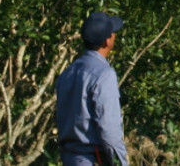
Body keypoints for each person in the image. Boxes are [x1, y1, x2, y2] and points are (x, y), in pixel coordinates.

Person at [55, 11, 129, 166]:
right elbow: (109, 130)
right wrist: (121, 162)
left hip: (69, 158)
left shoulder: (68, 72)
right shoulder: (104, 74)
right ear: (107, 41)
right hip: (92, 158)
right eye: (113, 33)